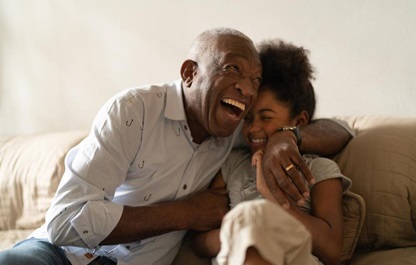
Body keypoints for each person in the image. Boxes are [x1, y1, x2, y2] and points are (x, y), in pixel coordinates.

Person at [0, 28, 352, 265]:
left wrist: (285, 137)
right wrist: (187, 213)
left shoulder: (238, 131)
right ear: (189, 73)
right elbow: (64, 221)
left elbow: (343, 129)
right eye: (233, 69)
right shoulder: (133, 112)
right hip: (60, 254)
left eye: (254, 81)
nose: (246, 89)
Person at [192, 39, 352, 265]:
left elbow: (332, 251)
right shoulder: (232, 163)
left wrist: (275, 200)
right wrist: (243, 230)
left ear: (300, 121)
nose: (254, 128)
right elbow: (199, 243)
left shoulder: (319, 169)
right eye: (247, 118)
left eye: (266, 117)